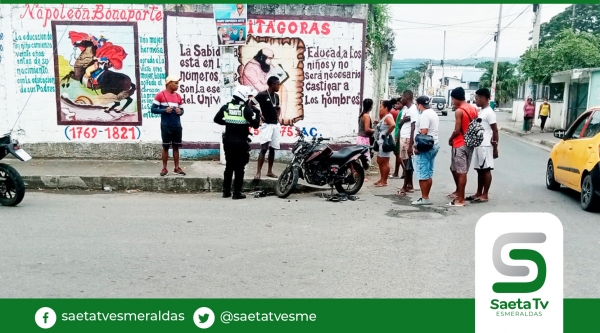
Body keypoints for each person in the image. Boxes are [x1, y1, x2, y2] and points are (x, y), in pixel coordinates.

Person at [213, 85, 261, 199]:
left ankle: (226, 192)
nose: (249, 99)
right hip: (241, 143)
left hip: (228, 142)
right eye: (248, 96)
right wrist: (258, 113)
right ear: (243, 96)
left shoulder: (226, 107)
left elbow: (216, 119)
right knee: (239, 167)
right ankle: (237, 192)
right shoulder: (246, 110)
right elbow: (255, 125)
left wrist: (229, 123)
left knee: (229, 167)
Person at [447, 87, 478, 207]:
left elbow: (457, 130)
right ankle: (459, 193)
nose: (453, 102)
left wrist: (450, 139)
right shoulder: (473, 109)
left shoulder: (459, 111)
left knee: (461, 171)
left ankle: (461, 199)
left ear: (455, 98)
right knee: (457, 169)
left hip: (459, 143)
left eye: (453, 99)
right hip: (470, 143)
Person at [468, 88, 499, 203]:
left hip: (486, 145)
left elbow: (495, 130)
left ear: (484, 99)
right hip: (479, 145)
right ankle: (478, 192)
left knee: (486, 169)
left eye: (477, 99)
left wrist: (495, 147)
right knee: (479, 170)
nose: (475, 101)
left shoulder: (490, 113)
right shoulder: (482, 111)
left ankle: (485, 194)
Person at [151, 76, 186, 177]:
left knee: (176, 147)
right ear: (169, 83)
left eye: (177, 83)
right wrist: (164, 110)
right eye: (175, 83)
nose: (177, 85)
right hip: (166, 125)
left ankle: (176, 167)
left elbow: (182, 110)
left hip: (177, 125)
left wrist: (180, 111)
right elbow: (153, 109)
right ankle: (164, 168)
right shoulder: (160, 95)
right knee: (165, 146)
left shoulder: (178, 96)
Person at [411, 96, 440, 205]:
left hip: (425, 147)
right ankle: (425, 197)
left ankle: (425, 198)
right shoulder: (433, 113)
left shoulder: (424, 115)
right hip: (433, 144)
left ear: (419, 105)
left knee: (422, 173)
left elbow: (424, 131)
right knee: (428, 172)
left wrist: (417, 147)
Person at [254, 76, 282, 179]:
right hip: (267, 125)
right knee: (264, 148)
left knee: (273, 149)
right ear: (272, 85)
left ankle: (270, 171)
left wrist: (278, 116)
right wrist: (259, 113)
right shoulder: (262, 94)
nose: (279, 86)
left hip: (275, 125)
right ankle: (258, 172)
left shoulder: (276, 96)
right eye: (277, 84)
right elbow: (250, 103)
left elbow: (278, 107)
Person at [397, 90, 418, 196]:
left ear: (407, 98)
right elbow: (400, 123)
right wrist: (404, 120)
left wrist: (411, 144)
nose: (401, 99)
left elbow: (413, 127)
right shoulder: (405, 109)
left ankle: (405, 187)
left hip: (407, 139)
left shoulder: (413, 110)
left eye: (403, 97)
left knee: (407, 164)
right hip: (403, 137)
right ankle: (409, 185)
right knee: (406, 162)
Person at [374, 100, 396, 187]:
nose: (380, 109)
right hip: (380, 142)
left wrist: (386, 134)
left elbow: (393, 125)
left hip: (384, 143)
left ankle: (384, 181)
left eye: (381, 107)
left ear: (386, 108)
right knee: (379, 160)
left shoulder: (388, 117)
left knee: (384, 162)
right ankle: (382, 178)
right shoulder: (385, 117)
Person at [357, 98, 375, 175]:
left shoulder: (362, 114)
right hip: (364, 139)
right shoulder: (366, 116)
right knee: (365, 158)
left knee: (361, 157)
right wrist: (374, 130)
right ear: (371, 106)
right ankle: (362, 175)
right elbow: (367, 130)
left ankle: (360, 174)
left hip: (360, 138)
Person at [391, 98, 405, 178]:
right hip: (399, 135)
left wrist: (397, 136)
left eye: (398, 104)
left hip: (399, 135)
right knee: (398, 155)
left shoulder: (401, 113)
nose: (396, 105)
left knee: (398, 155)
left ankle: (403, 170)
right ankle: (398, 172)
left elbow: (399, 126)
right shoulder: (401, 112)